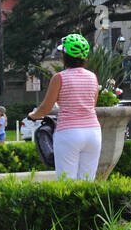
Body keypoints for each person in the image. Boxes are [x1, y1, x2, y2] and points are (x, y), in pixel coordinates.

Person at [28, 34, 100, 180]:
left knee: (67, 181)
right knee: (87, 182)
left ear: (65, 55)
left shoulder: (59, 78)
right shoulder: (93, 77)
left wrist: (33, 115)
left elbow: (46, 107)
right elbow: (92, 104)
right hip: (93, 132)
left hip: (69, 132)